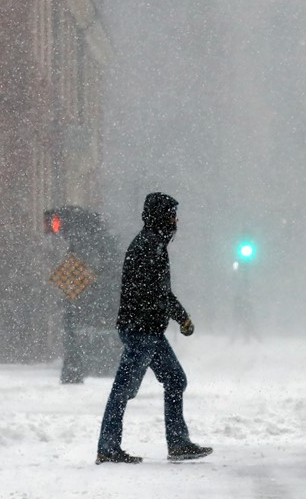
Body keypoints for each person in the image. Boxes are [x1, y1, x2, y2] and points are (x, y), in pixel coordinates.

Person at [95, 193, 212, 464]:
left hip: (147, 330)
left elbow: (159, 292)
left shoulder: (153, 243)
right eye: (171, 214)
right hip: (141, 331)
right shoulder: (148, 246)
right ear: (160, 216)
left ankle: (178, 443)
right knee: (123, 389)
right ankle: (108, 448)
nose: (176, 219)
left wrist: (179, 317)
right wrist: (181, 317)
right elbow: (157, 292)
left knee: (174, 380)